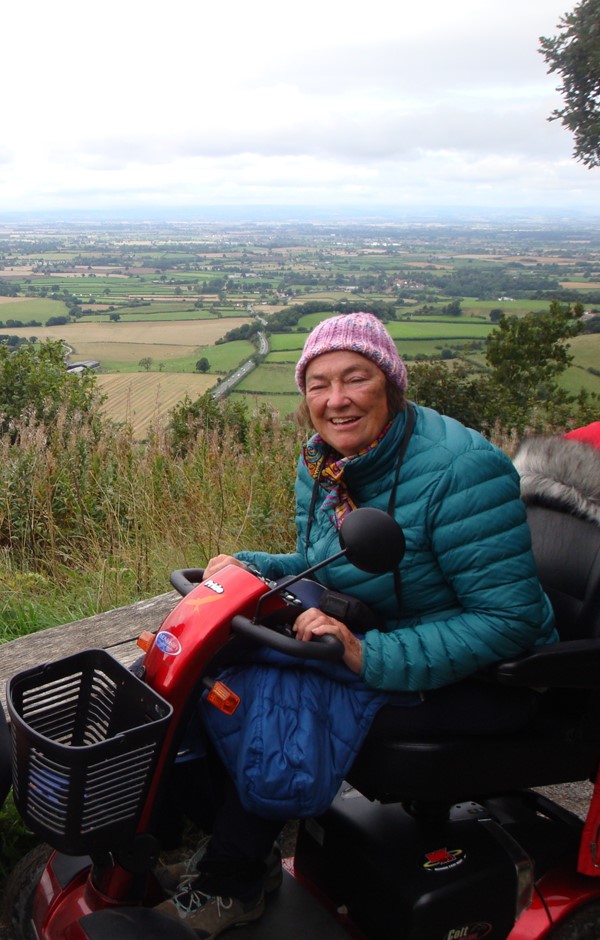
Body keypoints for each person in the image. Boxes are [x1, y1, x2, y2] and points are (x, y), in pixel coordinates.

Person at [157, 311, 557, 937]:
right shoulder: (326, 464)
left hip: (488, 679)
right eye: (318, 384)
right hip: (385, 629)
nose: (335, 400)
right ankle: (223, 843)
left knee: (283, 697)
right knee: (213, 663)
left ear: (390, 383)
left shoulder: (460, 471)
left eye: (355, 379)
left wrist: (367, 655)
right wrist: (253, 566)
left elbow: (510, 620)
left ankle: (234, 882)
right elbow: (331, 565)